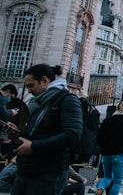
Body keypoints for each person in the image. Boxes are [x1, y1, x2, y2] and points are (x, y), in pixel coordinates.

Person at [7, 64, 83, 195]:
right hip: (26, 170)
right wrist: (16, 135)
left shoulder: (66, 100)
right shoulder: (39, 103)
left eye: (31, 85)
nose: (29, 91)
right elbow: (35, 134)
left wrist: (34, 147)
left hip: (49, 173)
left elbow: (73, 134)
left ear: (44, 81)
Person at [95, 100, 123, 195]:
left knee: (107, 176)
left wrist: (103, 148)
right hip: (120, 154)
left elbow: (99, 136)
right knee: (117, 181)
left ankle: (100, 188)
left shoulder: (107, 121)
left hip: (106, 154)